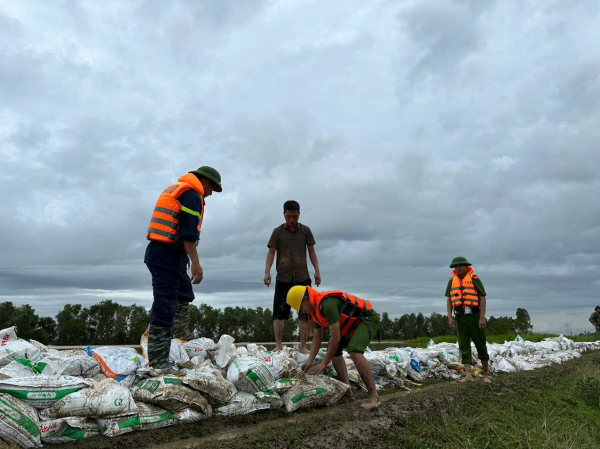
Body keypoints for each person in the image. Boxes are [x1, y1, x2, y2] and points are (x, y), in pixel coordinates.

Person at [144, 166, 222, 374]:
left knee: (183, 295)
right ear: (205, 181)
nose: (211, 193)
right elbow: (188, 232)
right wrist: (195, 262)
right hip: (165, 254)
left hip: (172, 254)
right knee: (165, 305)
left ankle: (180, 344)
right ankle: (159, 363)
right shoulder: (191, 194)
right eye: (213, 188)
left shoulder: (179, 190)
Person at [286, 285, 381, 410]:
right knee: (335, 351)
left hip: (367, 319)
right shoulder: (315, 312)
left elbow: (335, 337)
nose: (303, 311)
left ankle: (374, 396)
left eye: (301, 307)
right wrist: (309, 361)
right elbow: (317, 339)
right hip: (351, 324)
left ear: (306, 299)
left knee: (354, 350)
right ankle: (347, 391)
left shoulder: (327, 304)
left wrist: (324, 363)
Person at [264, 201, 321, 353]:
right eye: (288, 216)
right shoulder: (277, 232)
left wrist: (317, 270)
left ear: (299, 214)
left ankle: (303, 347)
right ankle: (278, 346)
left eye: (294, 216)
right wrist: (267, 272)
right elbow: (271, 252)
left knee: (305, 314)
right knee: (279, 313)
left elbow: (311, 251)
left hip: (302, 278)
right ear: (284, 215)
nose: (291, 220)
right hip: (283, 278)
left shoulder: (306, 231)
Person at [446, 256, 491, 383]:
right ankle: (468, 375)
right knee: (463, 345)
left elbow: (482, 297)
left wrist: (482, 317)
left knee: (480, 343)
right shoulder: (451, 281)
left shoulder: (474, 279)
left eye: (460, 265)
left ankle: (486, 374)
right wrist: (450, 317)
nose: (458, 268)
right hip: (459, 317)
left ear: (466, 266)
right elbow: (449, 300)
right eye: (455, 266)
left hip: (474, 316)